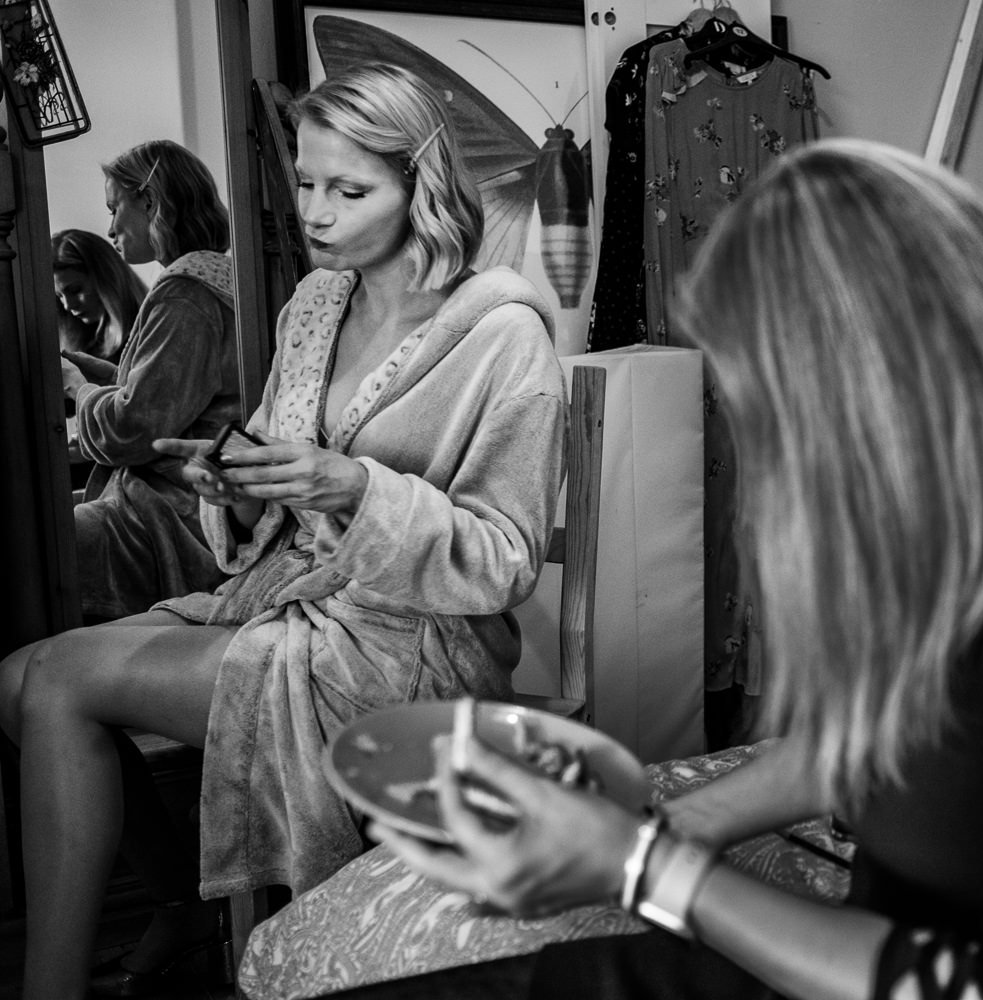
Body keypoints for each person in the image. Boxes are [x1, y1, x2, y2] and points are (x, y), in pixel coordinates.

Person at [368, 139, 983, 1000]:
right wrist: (668, 825)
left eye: (775, 397)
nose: (775, 443)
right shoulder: (971, 511)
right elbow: (903, 735)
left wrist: (644, 868)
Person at [0, 62, 566, 1000]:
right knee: (17, 678)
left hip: (408, 643)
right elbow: (279, 476)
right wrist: (229, 480)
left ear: (421, 187)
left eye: (350, 190)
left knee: (59, 683)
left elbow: (504, 560)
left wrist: (358, 489)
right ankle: (183, 910)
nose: (316, 211)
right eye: (306, 182)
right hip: (285, 595)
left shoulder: (502, 338)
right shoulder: (316, 305)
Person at [66, 141, 240, 622]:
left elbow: (135, 429)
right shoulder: (218, 275)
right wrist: (115, 377)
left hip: (177, 512)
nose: (110, 227)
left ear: (149, 201)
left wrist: (78, 389)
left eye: (113, 207)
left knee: (43, 549)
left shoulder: (185, 291)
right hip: (189, 499)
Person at [53, 227, 148, 366]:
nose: (68, 305)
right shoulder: (84, 343)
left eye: (75, 290)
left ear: (107, 278)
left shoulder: (148, 330)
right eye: (59, 296)